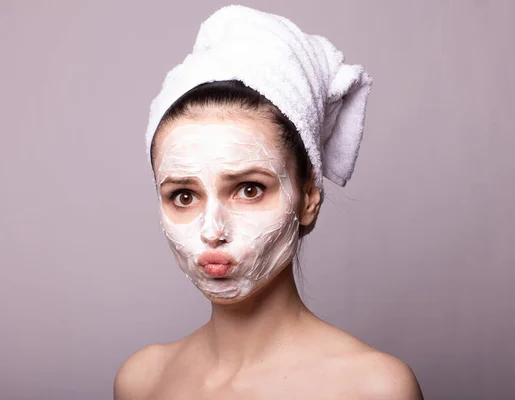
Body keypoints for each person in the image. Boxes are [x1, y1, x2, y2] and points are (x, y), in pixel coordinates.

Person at [115, 5, 423, 399]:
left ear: (309, 196)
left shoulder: (373, 387)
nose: (212, 230)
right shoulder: (141, 380)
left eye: (248, 189)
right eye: (184, 195)